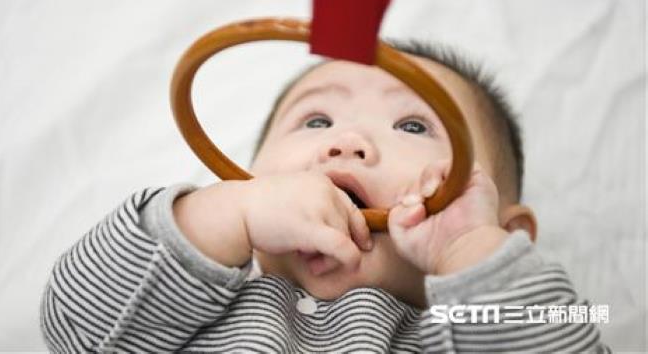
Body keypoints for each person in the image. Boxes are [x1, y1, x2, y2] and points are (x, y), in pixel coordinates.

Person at [40, 40, 610, 352]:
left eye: (413, 126)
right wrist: (217, 217)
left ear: (509, 236)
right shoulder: (190, 311)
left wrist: (473, 253)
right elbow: (75, 328)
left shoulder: (464, 335)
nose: (347, 142)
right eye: (316, 121)